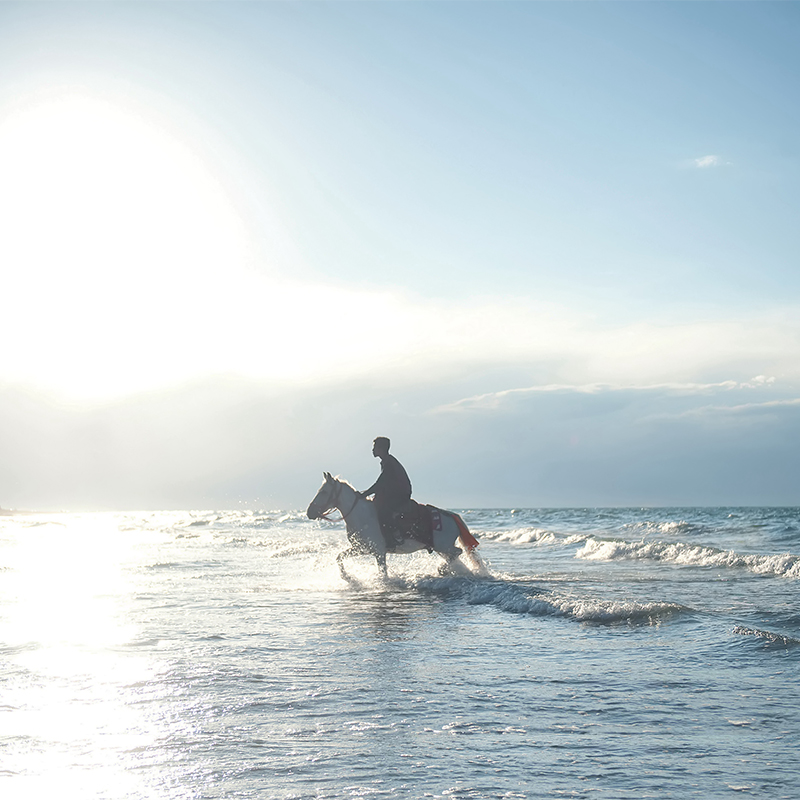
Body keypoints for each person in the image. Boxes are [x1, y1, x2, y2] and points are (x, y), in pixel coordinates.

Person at [360, 437, 412, 547]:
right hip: (395, 492)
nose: (372, 450)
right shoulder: (386, 461)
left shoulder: (389, 463)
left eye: (374, 448)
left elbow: (380, 484)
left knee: (383, 510)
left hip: (401, 493)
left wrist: (363, 495)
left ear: (381, 449)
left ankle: (393, 537)